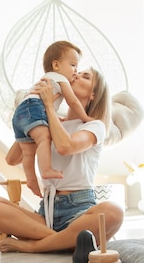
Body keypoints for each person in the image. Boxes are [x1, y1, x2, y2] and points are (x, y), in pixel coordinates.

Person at [0, 67, 123, 253]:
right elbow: (12, 159)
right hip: (47, 214)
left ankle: (35, 245)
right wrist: (29, 115)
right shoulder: (46, 122)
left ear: (93, 94)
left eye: (86, 76)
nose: (76, 74)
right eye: (77, 72)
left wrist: (50, 108)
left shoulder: (95, 125)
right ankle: (65, 242)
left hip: (79, 211)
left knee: (114, 211)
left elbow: (65, 147)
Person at [11, 41, 93, 197]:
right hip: (34, 107)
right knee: (44, 138)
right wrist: (85, 117)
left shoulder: (46, 78)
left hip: (20, 112)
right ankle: (46, 170)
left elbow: (47, 106)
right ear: (56, 65)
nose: (76, 71)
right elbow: (73, 102)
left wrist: (51, 113)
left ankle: (31, 179)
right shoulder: (60, 79)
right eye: (73, 65)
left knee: (28, 152)